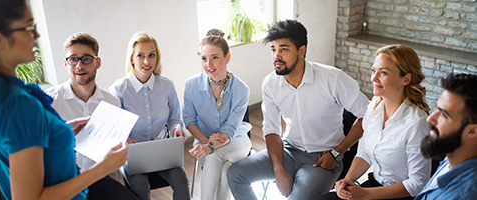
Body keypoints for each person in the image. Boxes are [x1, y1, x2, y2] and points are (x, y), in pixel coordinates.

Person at [0, 1, 127, 200]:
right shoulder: (20, 104)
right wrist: (103, 168)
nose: (37, 36)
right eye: (30, 27)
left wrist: (56, 131)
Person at [227, 19, 370, 200]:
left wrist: (337, 152)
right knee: (236, 174)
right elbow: (271, 129)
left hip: (322, 159)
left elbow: (369, 115)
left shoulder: (333, 79)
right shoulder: (270, 83)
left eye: (284, 49)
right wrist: (279, 170)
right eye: (273, 49)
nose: (276, 56)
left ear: (301, 51)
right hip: (288, 151)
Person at [319, 44, 431, 200]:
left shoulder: (417, 123)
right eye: (373, 71)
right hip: (375, 185)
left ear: (406, 79)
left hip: (401, 195)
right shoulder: (374, 106)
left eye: (383, 72)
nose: (373, 78)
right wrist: (347, 181)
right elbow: (364, 152)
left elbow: (418, 183)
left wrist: (364, 194)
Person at [44, 32, 139, 200]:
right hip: (61, 183)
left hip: (96, 179)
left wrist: (122, 143)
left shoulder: (112, 102)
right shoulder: (49, 101)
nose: (79, 65)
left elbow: (111, 145)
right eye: (73, 59)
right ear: (65, 64)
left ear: (98, 62)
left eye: (86, 58)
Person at [108, 31, 189, 200]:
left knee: (181, 181)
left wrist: (176, 129)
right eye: (140, 56)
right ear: (131, 58)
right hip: (133, 156)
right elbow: (113, 128)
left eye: (151, 55)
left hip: (162, 153)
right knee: (140, 188)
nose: (147, 61)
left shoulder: (166, 85)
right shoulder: (118, 89)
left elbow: (175, 119)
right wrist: (124, 140)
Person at [183, 29, 251, 200]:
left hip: (237, 140)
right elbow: (189, 120)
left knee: (214, 158)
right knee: (224, 167)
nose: (208, 64)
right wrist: (207, 143)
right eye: (204, 59)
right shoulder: (191, 85)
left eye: (215, 57)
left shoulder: (241, 89)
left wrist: (210, 147)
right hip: (203, 140)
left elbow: (230, 130)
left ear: (227, 57)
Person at [415, 73, 477, 200]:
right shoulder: (453, 155)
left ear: (473, 131)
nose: (430, 119)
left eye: (444, 114)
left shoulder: (464, 194)